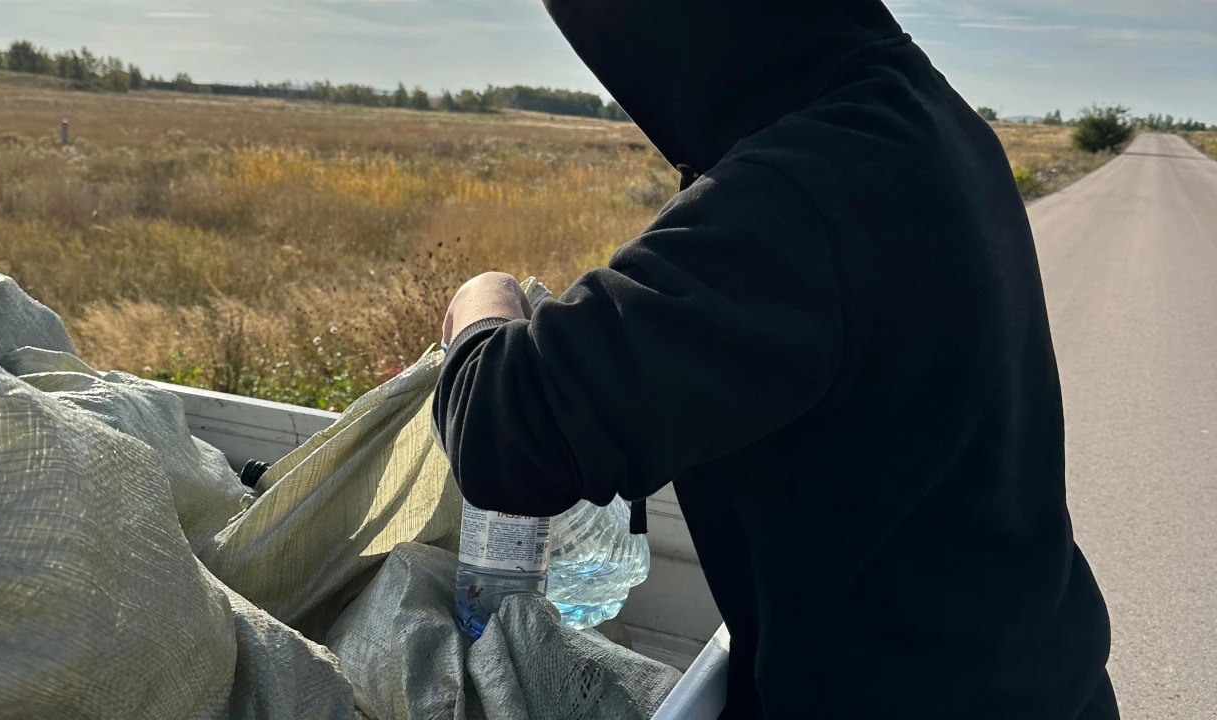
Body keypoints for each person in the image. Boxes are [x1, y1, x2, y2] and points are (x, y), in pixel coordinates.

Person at [433, 0, 1118, 717]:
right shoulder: (923, 119)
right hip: (1033, 674)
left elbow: (509, 433)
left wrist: (484, 304)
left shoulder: (804, 189)